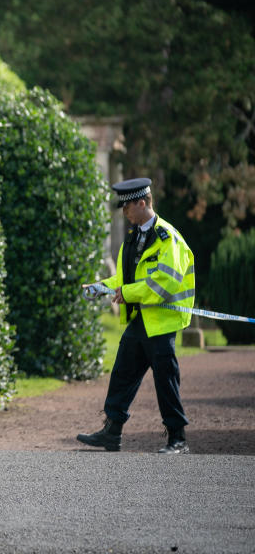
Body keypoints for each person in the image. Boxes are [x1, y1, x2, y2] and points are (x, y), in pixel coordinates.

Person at [78, 178, 195, 454]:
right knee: (122, 374)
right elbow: (124, 278)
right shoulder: (133, 236)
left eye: (127, 205)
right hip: (140, 319)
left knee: (166, 380)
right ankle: (112, 432)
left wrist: (126, 292)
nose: (124, 211)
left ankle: (177, 438)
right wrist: (100, 288)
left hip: (162, 322)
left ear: (142, 203)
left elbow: (165, 283)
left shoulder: (169, 238)